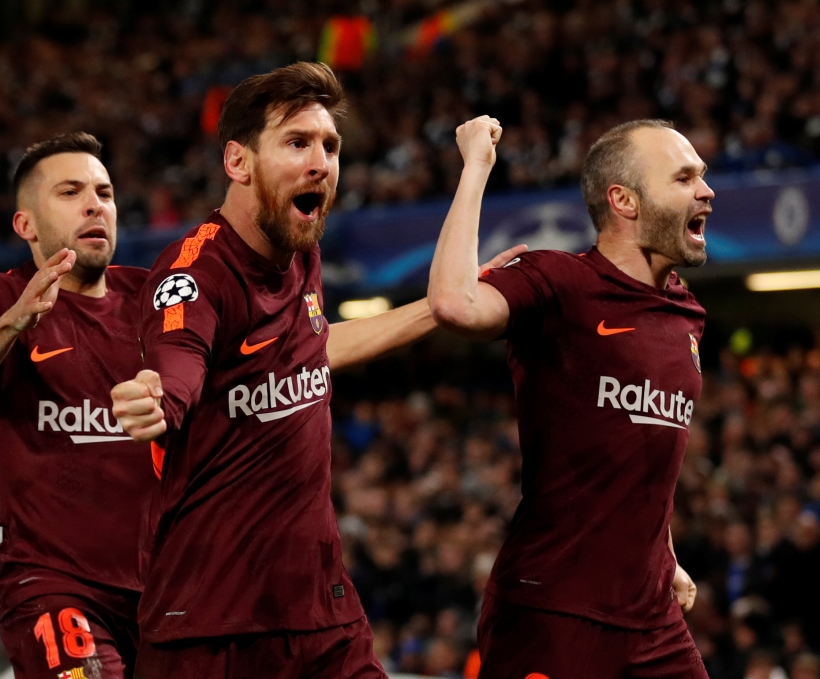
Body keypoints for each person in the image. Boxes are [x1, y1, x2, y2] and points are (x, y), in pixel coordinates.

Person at [109, 62, 521, 678]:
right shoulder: (194, 273)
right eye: (297, 143)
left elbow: (313, 345)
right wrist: (159, 398)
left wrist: (445, 305)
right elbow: (179, 366)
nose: (321, 162)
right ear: (237, 163)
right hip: (212, 628)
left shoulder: (301, 248)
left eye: (330, 146)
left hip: (321, 612)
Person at [428, 117, 713, 678]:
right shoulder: (559, 282)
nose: (706, 191)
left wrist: (666, 552)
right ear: (624, 200)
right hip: (551, 610)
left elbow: (638, 448)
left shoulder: (686, 312)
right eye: (684, 179)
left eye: (701, 176)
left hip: (651, 616)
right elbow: (455, 305)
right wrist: (477, 168)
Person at [0, 132, 152, 679]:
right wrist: (15, 323)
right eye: (71, 192)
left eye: (104, 191)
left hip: (171, 590)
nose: (95, 204)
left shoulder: (154, 296)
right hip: (55, 587)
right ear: (26, 224)